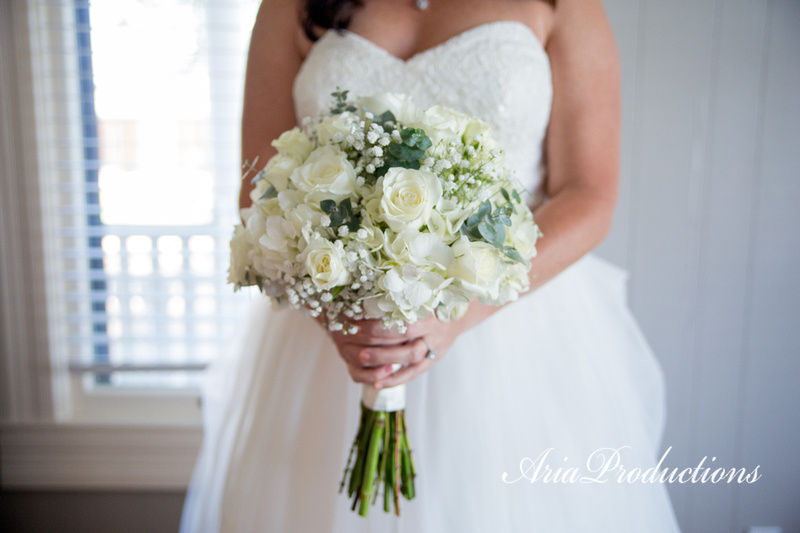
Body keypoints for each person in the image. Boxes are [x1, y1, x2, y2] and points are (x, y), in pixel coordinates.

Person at [181, 0, 681, 531]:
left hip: (515, 333)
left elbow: (588, 195)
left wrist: (459, 315)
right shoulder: (291, 6)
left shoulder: (564, 6)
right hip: (334, 331)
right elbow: (260, 187)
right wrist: (344, 321)